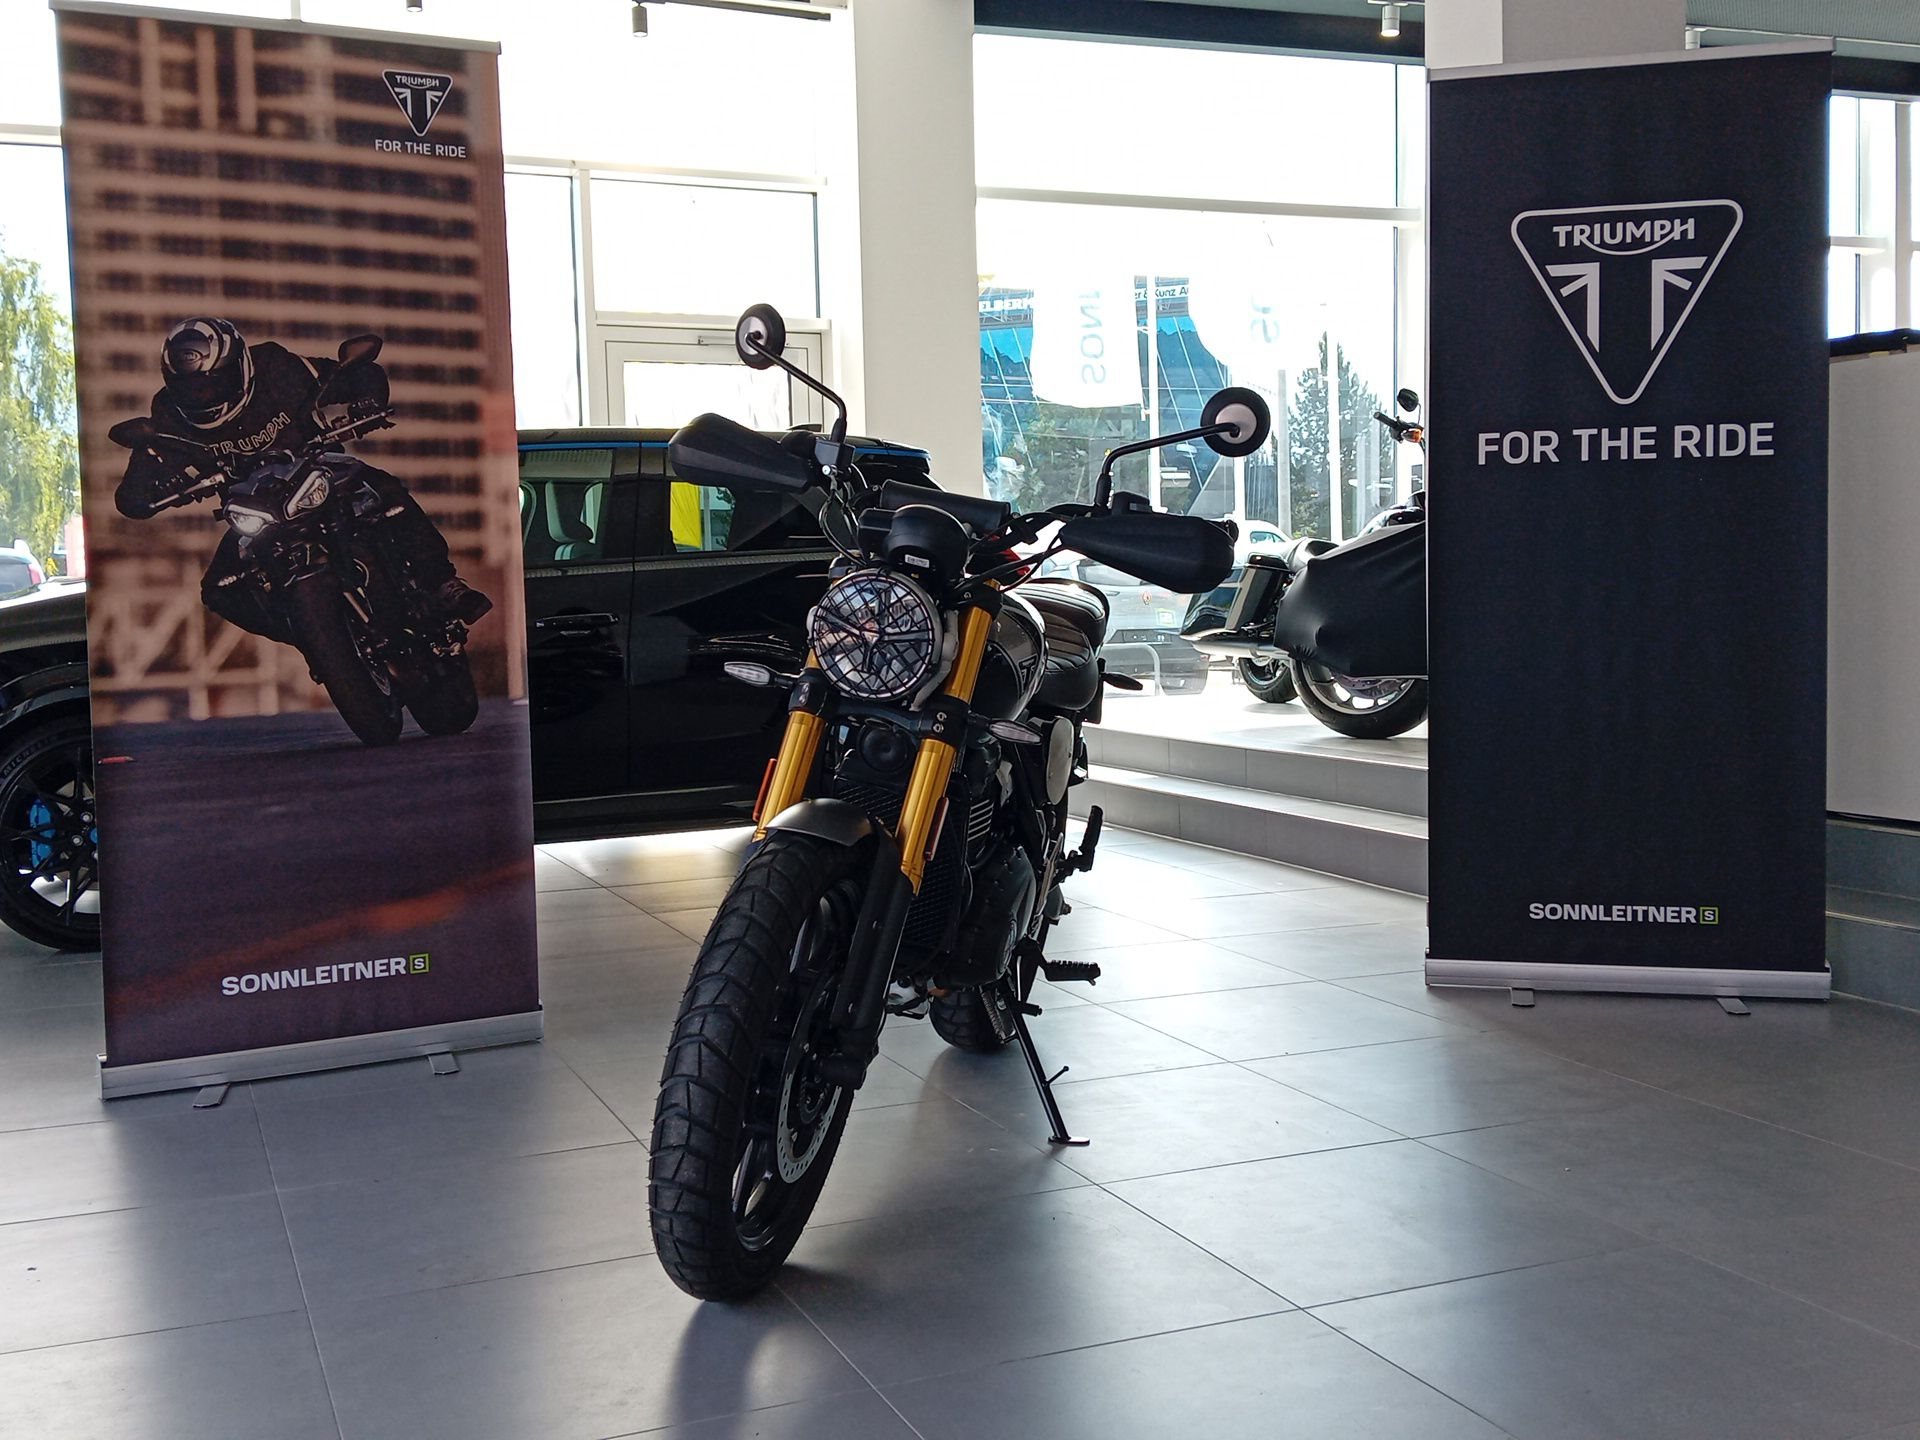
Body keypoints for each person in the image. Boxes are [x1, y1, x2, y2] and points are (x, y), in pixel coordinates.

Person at [114, 317, 492, 638]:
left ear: (239, 365)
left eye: (212, 383)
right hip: (254, 509)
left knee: (386, 491)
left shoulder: (275, 367)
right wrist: (153, 489)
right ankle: (310, 638)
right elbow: (136, 485)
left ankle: (442, 583)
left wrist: (367, 401)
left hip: (319, 469)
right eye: (192, 389)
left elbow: (351, 374)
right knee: (219, 590)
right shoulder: (167, 413)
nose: (204, 395)